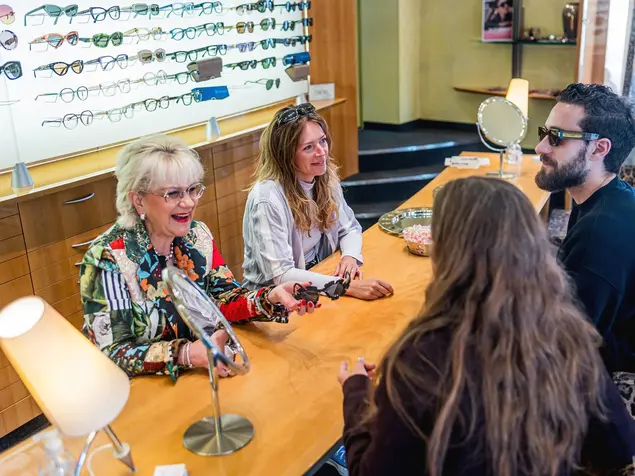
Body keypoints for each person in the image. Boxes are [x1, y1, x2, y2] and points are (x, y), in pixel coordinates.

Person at [338, 177, 635, 476]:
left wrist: (357, 396)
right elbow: (619, 448)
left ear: (446, 252)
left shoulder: (419, 359)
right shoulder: (566, 337)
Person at [80, 135, 313, 380]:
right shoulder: (108, 258)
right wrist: (186, 354)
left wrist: (269, 297)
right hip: (140, 393)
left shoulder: (196, 236)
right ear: (138, 199)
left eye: (193, 189)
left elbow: (225, 299)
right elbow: (113, 351)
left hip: (198, 378)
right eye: (173, 194)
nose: (189, 202)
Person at [242, 103, 393, 301]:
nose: (321, 152)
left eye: (322, 141)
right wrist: (345, 287)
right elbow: (281, 275)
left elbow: (349, 228)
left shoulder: (324, 177)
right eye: (308, 147)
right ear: (285, 156)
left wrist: (350, 256)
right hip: (274, 302)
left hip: (317, 281)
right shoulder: (266, 198)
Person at [534, 84, 635, 380]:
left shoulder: (600, 233)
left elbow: (565, 348)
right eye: (544, 133)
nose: (540, 147)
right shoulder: (608, 196)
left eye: (556, 138)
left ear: (599, 148)